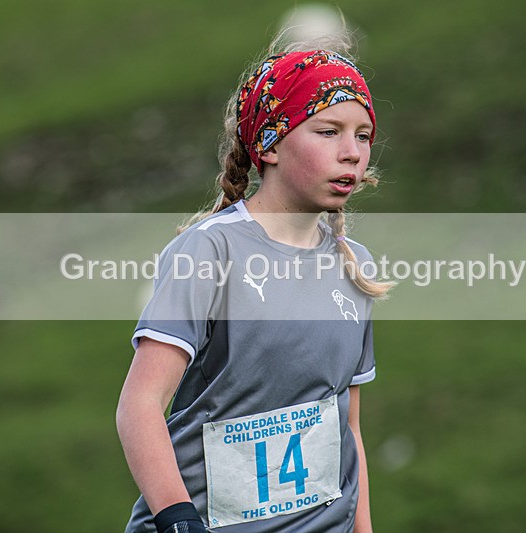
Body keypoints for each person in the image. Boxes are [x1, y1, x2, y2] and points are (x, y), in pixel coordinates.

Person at [116, 33, 394, 533]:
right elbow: (139, 406)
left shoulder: (356, 266)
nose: (352, 152)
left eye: (362, 134)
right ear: (269, 144)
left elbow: (346, 429)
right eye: (329, 131)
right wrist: (179, 522)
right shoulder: (210, 251)